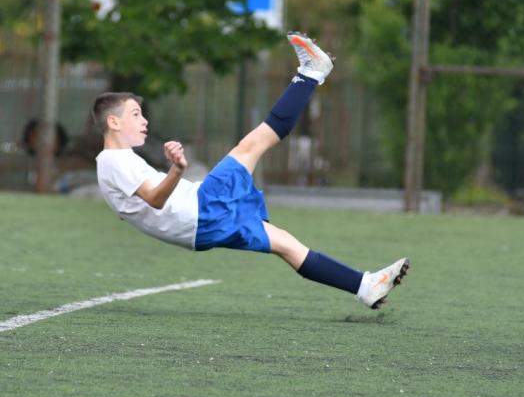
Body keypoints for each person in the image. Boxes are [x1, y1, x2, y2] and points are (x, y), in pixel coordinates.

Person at [94, 32, 409, 310]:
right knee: (252, 145)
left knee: (285, 243)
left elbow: (129, 209)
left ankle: (364, 286)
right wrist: (176, 170)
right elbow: (154, 200)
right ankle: (312, 72)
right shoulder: (114, 160)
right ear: (113, 122)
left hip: (198, 226)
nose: (144, 120)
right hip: (200, 210)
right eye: (135, 114)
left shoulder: (112, 164)